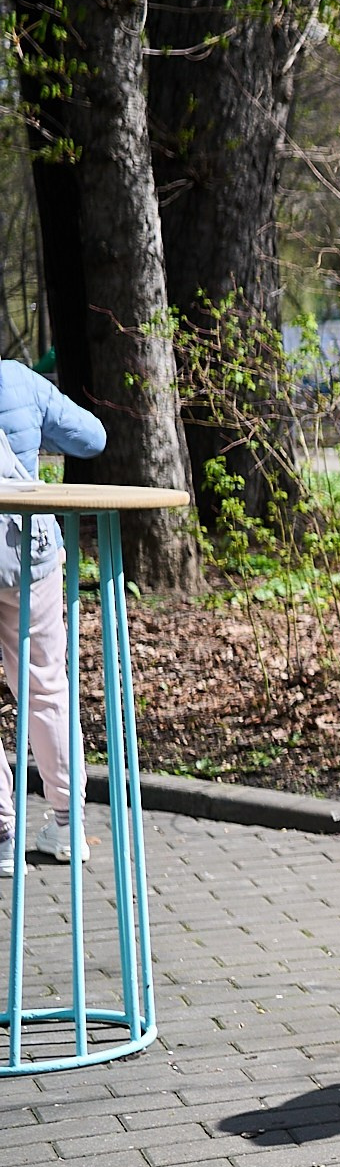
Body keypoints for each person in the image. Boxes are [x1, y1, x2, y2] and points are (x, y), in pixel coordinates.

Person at [0, 360, 105, 872]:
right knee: (46, 687)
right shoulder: (19, 380)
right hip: (28, 552)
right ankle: (69, 825)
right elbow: (91, 438)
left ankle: (1, 832)